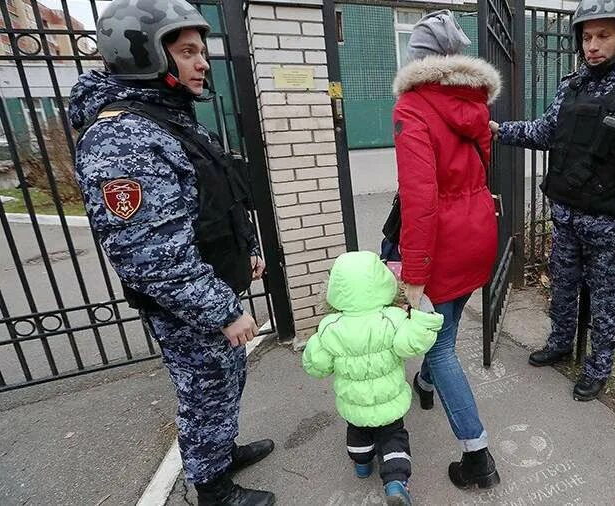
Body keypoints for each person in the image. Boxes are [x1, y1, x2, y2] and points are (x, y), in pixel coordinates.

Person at [69, 1, 274, 504]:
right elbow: (149, 255)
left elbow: (216, 194)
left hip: (211, 288)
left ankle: (219, 453)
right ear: (144, 56)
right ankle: (212, 487)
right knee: (205, 396)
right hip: (190, 308)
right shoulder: (122, 138)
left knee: (224, 385)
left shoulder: (167, 119)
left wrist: (245, 248)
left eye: (200, 51)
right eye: (187, 52)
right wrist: (223, 310)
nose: (202, 63)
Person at [490, 0, 615, 401]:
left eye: (604, 35)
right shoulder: (573, 85)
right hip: (567, 218)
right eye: (586, 37)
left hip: (612, 228)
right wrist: (499, 130)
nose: (593, 45)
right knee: (562, 289)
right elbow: (546, 132)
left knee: (605, 304)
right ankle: (561, 344)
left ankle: (598, 368)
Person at [392, 10, 502, 490]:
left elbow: (419, 198)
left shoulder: (412, 108)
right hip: (477, 236)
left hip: (440, 244)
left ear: (417, 61)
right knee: (449, 324)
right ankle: (427, 387)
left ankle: (477, 457)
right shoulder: (475, 104)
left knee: (438, 347)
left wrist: (413, 271)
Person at [302, 251, 444, 505]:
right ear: (382, 282)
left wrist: (315, 346)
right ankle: (396, 482)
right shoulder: (393, 319)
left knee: (358, 432)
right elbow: (412, 343)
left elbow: (317, 365)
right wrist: (425, 315)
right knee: (393, 437)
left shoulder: (330, 327)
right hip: (389, 400)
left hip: (354, 404)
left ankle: (362, 465)